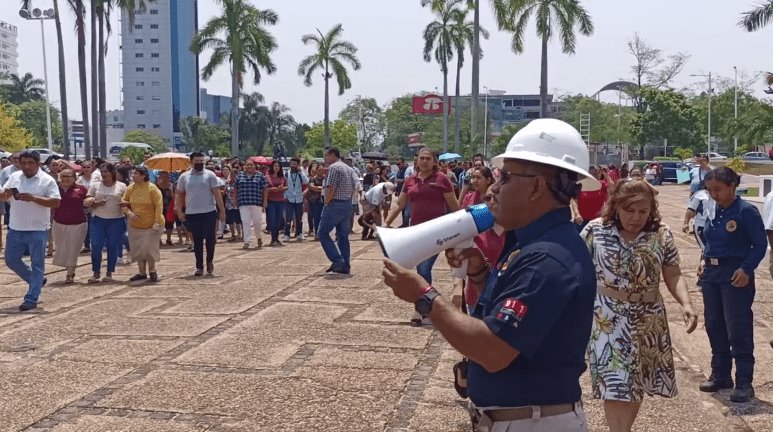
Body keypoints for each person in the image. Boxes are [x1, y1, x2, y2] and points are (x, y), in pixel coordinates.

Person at [382, 119, 599, 431]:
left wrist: (424, 295)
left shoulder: (547, 259)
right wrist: (481, 273)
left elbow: (493, 350)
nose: (494, 187)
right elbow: (510, 321)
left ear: (537, 186)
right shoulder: (531, 245)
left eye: (505, 177)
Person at [581, 179, 698, 432]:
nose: (636, 218)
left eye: (643, 211)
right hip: (608, 319)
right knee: (616, 383)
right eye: (629, 210)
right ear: (616, 207)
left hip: (648, 319)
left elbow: (673, 273)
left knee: (636, 384)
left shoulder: (661, 233)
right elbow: (576, 271)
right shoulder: (595, 231)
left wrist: (686, 303)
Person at [699, 167, 766, 403]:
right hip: (711, 273)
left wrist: (746, 268)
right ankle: (721, 374)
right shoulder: (713, 210)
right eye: (709, 190)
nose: (713, 194)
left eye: (717, 189)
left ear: (732, 186)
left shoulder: (746, 211)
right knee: (714, 324)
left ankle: (744, 382)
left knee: (737, 328)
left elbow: (759, 246)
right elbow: (707, 240)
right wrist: (702, 260)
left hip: (735, 273)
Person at [385, 147, 460, 290]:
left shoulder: (441, 179)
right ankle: (426, 300)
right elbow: (400, 204)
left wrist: (459, 230)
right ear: (417, 161)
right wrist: (386, 223)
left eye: (428, 158)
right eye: (422, 158)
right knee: (420, 269)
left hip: (436, 231)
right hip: (416, 231)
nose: (424, 161)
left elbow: (454, 206)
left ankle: (427, 302)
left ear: (434, 162)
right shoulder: (409, 181)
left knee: (424, 268)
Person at [0, 150, 61, 311]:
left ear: (38, 163)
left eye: (30, 163)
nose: (26, 166)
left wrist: (33, 198)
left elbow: (55, 202)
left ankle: (31, 297)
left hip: (37, 229)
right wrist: (5, 195)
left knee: (37, 264)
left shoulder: (46, 180)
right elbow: (5, 195)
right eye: (24, 163)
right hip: (15, 227)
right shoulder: (14, 177)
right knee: (11, 260)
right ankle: (37, 281)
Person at [175, 152, 226, 277]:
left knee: (210, 239)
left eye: (201, 161)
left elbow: (217, 194)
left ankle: (209, 261)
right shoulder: (184, 177)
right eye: (196, 161)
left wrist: (222, 211)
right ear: (191, 162)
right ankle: (199, 266)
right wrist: (179, 211)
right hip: (192, 213)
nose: (199, 163)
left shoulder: (210, 175)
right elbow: (178, 194)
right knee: (197, 241)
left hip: (209, 212)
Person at [85, 163, 128, 283]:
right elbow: (87, 201)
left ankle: (109, 272)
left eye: (106, 171)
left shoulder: (122, 186)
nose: (103, 174)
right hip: (98, 219)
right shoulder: (95, 186)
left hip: (116, 220)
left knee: (112, 247)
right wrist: (96, 202)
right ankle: (96, 272)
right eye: (102, 172)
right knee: (96, 247)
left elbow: (128, 201)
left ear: (112, 172)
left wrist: (125, 205)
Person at [317, 147, 357, 274]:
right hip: (346, 204)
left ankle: (338, 260)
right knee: (342, 236)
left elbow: (331, 187)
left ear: (332, 155)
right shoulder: (348, 168)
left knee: (322, 233)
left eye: (326, 156)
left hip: (335, 204)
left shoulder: (334, 168)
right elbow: (354, 186)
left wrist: (327, 202)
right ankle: (345, 265)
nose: (325, 159)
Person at [122, 166, 164, 283]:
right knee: (138, 249)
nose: (133, 175)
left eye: (135, 173)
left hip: (152, 225)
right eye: (132, 173)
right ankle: (141, 272)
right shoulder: (130, 188)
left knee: (148, 249)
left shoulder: (152, 188)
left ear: (143, 176)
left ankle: (152, 271)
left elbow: (159, 206)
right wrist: (129, 213)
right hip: (135, 225)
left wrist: (156, 222)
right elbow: (123, 203)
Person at [51, 168, 88, 284]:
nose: (65, 179)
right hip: (59, 223)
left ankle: (70, 273)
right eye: (63, 176)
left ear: (74, 178)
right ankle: (68, 266)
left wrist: (91, 200)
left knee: (73, 248)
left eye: (68, 176)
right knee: (61, 248)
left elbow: (89, 199)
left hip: (78, 224)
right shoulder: (54, 189)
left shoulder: (81, 189)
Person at [235, 159, 268, 250]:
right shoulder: (240, 175)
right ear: (244, 166)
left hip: (256, 202)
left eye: (251, 165)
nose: (249, 166)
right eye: (248, 165)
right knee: (245, 221)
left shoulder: (260, 176)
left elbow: (265, 188)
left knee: (257, 222)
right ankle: (247, 241)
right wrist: (235, 200)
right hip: (243, 202)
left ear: (255, 166)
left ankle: (258, 237)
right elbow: (235, 188)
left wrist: (265, 200)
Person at [572, 165, 608, 232]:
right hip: (582, 220)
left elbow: (613, 188)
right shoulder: (579, 185)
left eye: (594, 173)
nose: (592, 176)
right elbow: (574, 200)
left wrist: (605, 174)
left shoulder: (602, 184)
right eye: (590, 174)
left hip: (597, 220)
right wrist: (577, 214)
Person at [284, 157, 309, 242]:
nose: (293, 166)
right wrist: (285, 196)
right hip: (289, 198)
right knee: (288, 217)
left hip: (298, 198)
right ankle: (286, 234)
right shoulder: (286, 173)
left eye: (295, 164)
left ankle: (299, 234)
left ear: (298, 165)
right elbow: (284, 184)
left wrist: (301, 172)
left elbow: (306, 182)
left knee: (299, 218)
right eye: (292, 164)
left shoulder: (300, 173)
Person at [265, 160, 288, 246]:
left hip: (280, 200)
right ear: (272, 167)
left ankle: (276, 238)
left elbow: (286, 186)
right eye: (275, 166)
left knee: (279, 221)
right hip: (271, 201)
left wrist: (283, 188)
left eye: (278, 166)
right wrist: (271, 189)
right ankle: (273, 239)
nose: (276, 167)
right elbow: (265, 187)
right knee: (272, 220)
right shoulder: (267, 176)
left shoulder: (282, 177)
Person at [306, 163, 325, 239]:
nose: (321, 171)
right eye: (319, 170)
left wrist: (318, 188)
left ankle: (322, 233)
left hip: (324, 201)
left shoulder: (326, 179)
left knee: (323, 218)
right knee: (316, 218)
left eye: (322, 170)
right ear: (316, 170)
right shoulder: (313, 179)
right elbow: (311, 187)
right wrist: (322, 188)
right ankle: (317, 233)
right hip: (314, 201)